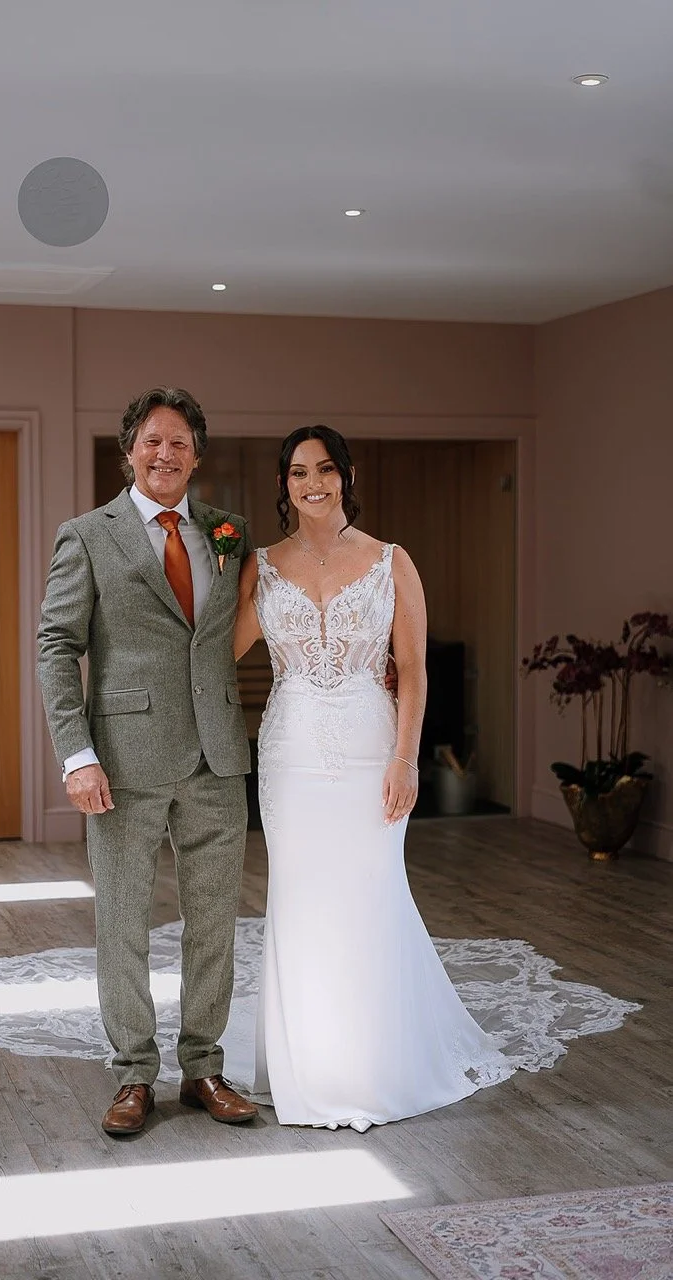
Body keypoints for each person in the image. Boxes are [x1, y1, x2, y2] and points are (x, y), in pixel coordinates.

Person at [233, 425, 511, 1130]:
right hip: (290, 752)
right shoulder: (259, 564)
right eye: (298, 472)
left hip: (371, 747)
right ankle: (310, 1064)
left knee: (371, 892)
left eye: (325, 469)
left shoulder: (391, 562)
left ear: (347, 475)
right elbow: (222, 649)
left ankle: (374, 1061)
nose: (312, 483)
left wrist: (404, 757)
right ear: (283, 484)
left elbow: (412, 671)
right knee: (298, 899)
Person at [38, 386, 258, 1136]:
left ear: (198, 455)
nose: (166, 454)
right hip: (123, 762)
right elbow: (56, 646)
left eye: (181, 443)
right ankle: (133, 1073)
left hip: (218, 756)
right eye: (153, 441)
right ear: (129, 450)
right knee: (122, 920)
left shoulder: (231, 532)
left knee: (215, 923)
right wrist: (77, 754)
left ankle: (203, 1067)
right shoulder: (87, 535)